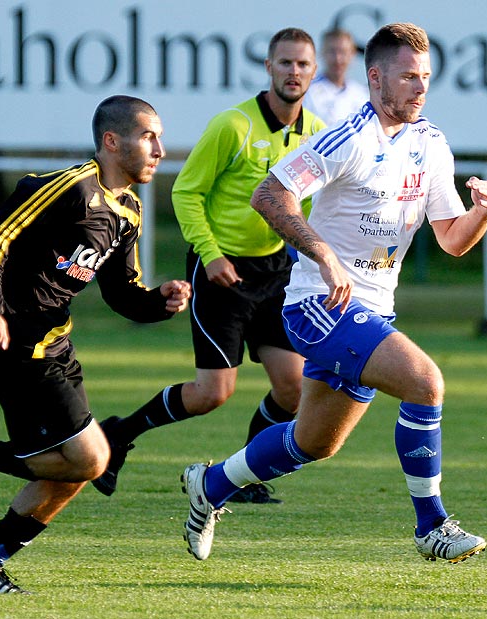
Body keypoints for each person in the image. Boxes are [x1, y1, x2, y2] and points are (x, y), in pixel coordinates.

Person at [179, 22, 487, 564]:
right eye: (408, 77)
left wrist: (481, 215)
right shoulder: (347, 137)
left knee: (313, 443)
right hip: (317, 306)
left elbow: (451, 240)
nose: (420, 89)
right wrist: (323, 255)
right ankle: (432, 526)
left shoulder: (431, 144)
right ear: (375, 78)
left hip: (374, 311)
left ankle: (207, 487)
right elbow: (269, 194)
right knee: (426, 382)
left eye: (426, 78)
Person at [0, 95, 191, 594]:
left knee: (73, 469)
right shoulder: (71, 188)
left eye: (159, 136)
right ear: (112, 142)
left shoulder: (129, 211)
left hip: (56, 347)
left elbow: (121, 293)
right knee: (91, 459)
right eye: (148, 136)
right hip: (15, 343)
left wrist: (158, 301)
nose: (159, 148)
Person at [90, 28, 325, 505]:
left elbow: (312, 207)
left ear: (313, 70)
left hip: (275, 272)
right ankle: (119, 434)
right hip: (221, 272)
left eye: (302, 64)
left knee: (294, 387)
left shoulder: (317, 134)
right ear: (268, 67)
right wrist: (211, 253)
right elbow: (186, 191)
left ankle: (238, 475)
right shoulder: (233, 126)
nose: (293, 73)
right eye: (285, 63)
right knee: (212, 393)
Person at [304, 27, 369, 125]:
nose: (337, 59)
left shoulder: (362, 95)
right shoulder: (307, 92)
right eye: (332, 52)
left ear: (352, 55)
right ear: (322, 53)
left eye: (343, 52)